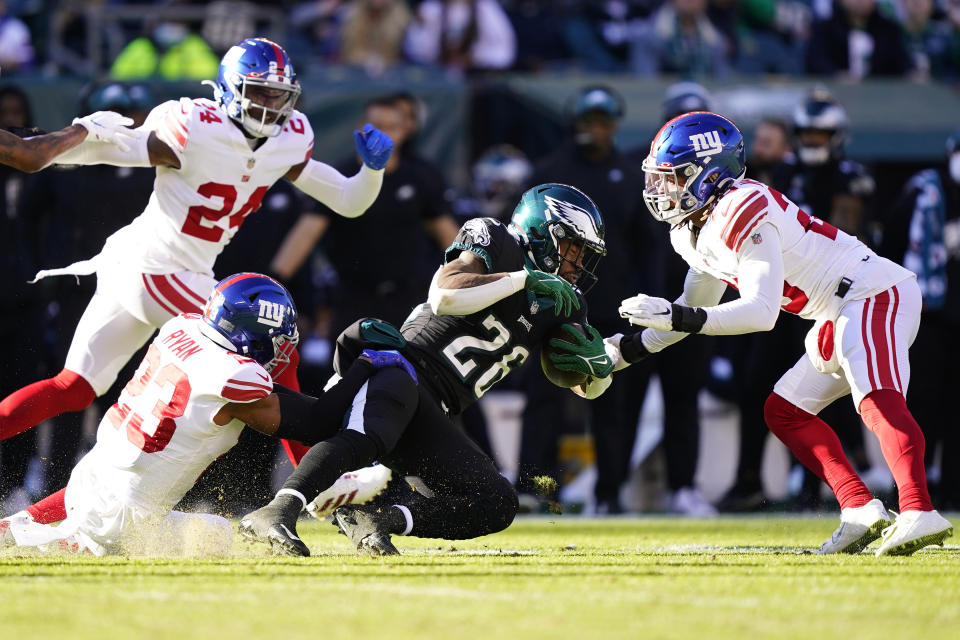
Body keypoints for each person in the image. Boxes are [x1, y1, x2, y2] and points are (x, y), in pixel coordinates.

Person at [0, 37, 392, 487]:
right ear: (227, 89)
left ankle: (315, 481)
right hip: (159, 268)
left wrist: (371, 171)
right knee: (278, 347)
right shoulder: (196, 124)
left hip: (156, 270)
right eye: (258, 91)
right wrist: (60, 146)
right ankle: (325, 482)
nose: (269, 104)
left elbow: (348, 200)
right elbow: (115, 148)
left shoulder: (289, 138)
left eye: (277, 94)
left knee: (73, 389)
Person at [613, 110, 952, 556]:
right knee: (784, 410)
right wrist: (621, 352)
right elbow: (692, 311)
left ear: (710, 175)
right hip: (836, 308)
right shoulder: (691, 231)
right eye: (659, 178)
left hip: (873, 293)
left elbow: (760, 312)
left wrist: (676, 318)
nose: (662, 190)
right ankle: (858, 507)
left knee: (874, 400)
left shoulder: (742, 206)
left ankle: (918, 508)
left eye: (674, 177)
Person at [240, 183, 615, 557]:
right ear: (543, 232)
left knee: (497, 501)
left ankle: (377, 520)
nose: (577, 263)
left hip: (437, 413)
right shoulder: (499, 242)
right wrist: (523, 279)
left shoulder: (566, 303)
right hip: (401, 368)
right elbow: (445, 294)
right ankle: (277, 511)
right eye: (573, 248)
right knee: (365, 431)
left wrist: (599, 369)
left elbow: (584, 385)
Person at [0, 273, 412, 555]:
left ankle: (19, 524)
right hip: (127, 518)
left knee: (101, 493)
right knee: (214, 537)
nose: (284, 347)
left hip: (91, 474)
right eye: (278, 336)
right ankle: (46, 538)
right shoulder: (236, 377)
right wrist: (363, 368)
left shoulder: (180, 327)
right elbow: (316, 421)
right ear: (253, 332)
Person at [879, 128, 960, 510]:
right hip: (928, 317)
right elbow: (890, 247)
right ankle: (912, 496)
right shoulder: (924, 190)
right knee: (921, 406)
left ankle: (953, 493)